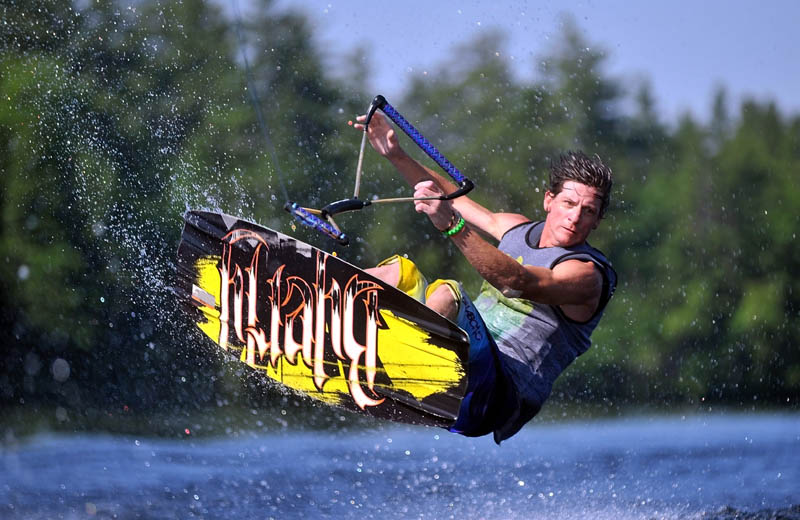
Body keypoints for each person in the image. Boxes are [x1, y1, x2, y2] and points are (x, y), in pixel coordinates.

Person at [353, 112, 617, 444]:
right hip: (462, 365)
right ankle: (325, 317)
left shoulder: (585, 274)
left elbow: (519, 282)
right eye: (568, 203)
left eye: (588, 211)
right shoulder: (516, 228)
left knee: (450, 293)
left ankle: (392, 365)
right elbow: (452, 197)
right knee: (396, 273)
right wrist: (396, 154)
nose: (575, 217)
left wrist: (452, 225)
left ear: (597, 220)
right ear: (549, 200)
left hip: (496, 396)